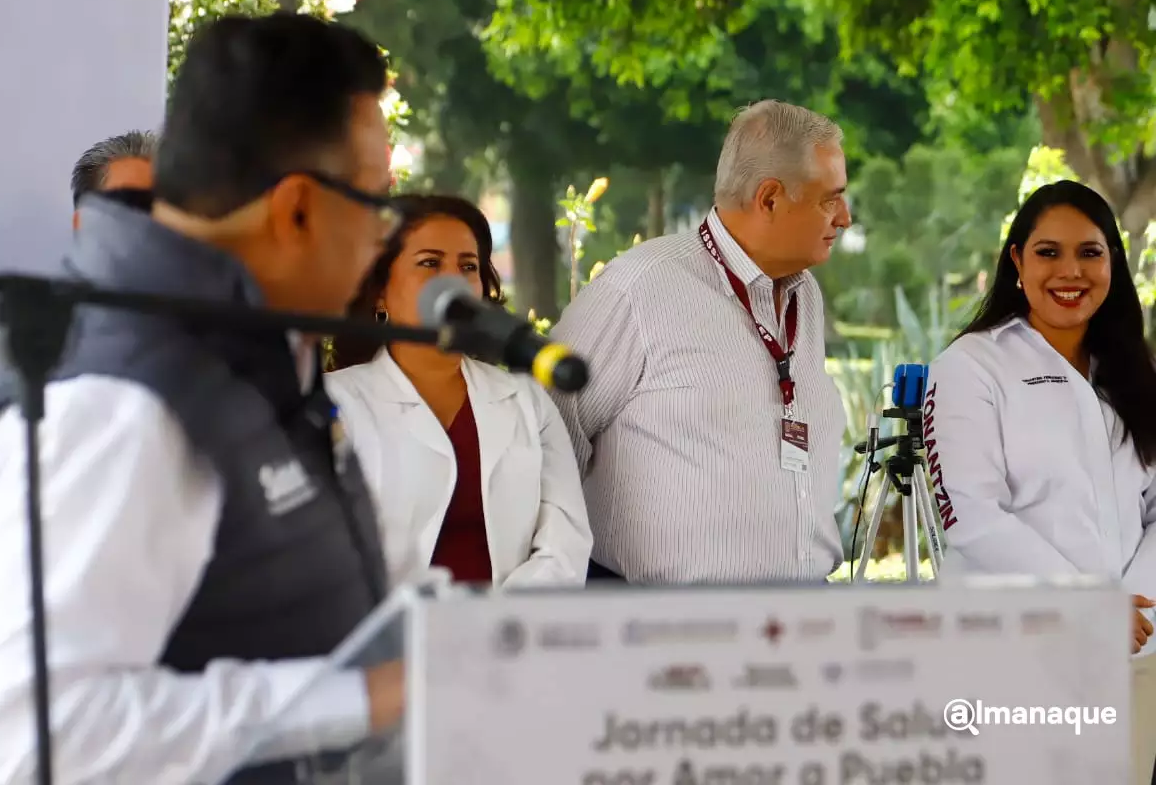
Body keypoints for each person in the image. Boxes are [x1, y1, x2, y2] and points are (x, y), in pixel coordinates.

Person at [0, 14, 403, 785]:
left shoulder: (254, 349)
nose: (382, 237)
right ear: (297, 209)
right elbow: (32, 735)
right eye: (376, 202)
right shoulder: (113, 401)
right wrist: (356, 700)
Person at [548, 99, 852, 584]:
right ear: (770, 199)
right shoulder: (638, 289)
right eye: (830, 200)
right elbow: (546, 439)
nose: (845, 218)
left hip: (800, 615)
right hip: (659, 619)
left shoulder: (804, 295)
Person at [922, 180, 1156, 784]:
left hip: (1130, 656)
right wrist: (1087, 603)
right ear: (1017, 261)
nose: (1070, 271)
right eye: (1049, 252)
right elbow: (970, 514)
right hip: (1013, 652)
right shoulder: (970, 367)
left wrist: (1130, 609)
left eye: (1090, 252)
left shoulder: (1134, 372)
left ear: (1113, 262)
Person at [327, 194, 592, 589]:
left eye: (468, 267)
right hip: (385, 625)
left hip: (511, 624)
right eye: (429, 263)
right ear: (380, 289)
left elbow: (565, 544)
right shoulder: (335, 401)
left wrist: (492, 619)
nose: (453, 283)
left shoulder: (525, 400)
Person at [0, 130, 158, 382]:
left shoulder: (196, 327)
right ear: (82, 223)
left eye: (160, 208)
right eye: (129, 205)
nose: (148, 224)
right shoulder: (32, 341)